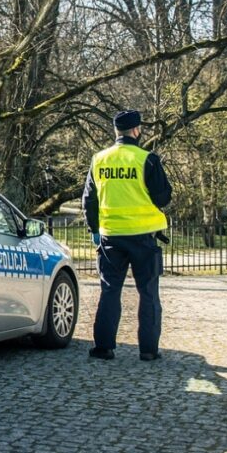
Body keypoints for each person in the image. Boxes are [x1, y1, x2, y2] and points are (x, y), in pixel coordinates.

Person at [81, 110, 172, 361]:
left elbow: (89, 199)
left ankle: (103, 347)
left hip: (111, 236)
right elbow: (163, 197)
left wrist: (95, 230)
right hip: (143, 236)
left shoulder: (99, 160)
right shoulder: (148, 159)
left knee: (110, 290)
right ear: (136, 130)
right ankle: (149, 350)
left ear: (116, 132)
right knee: (148, 292)